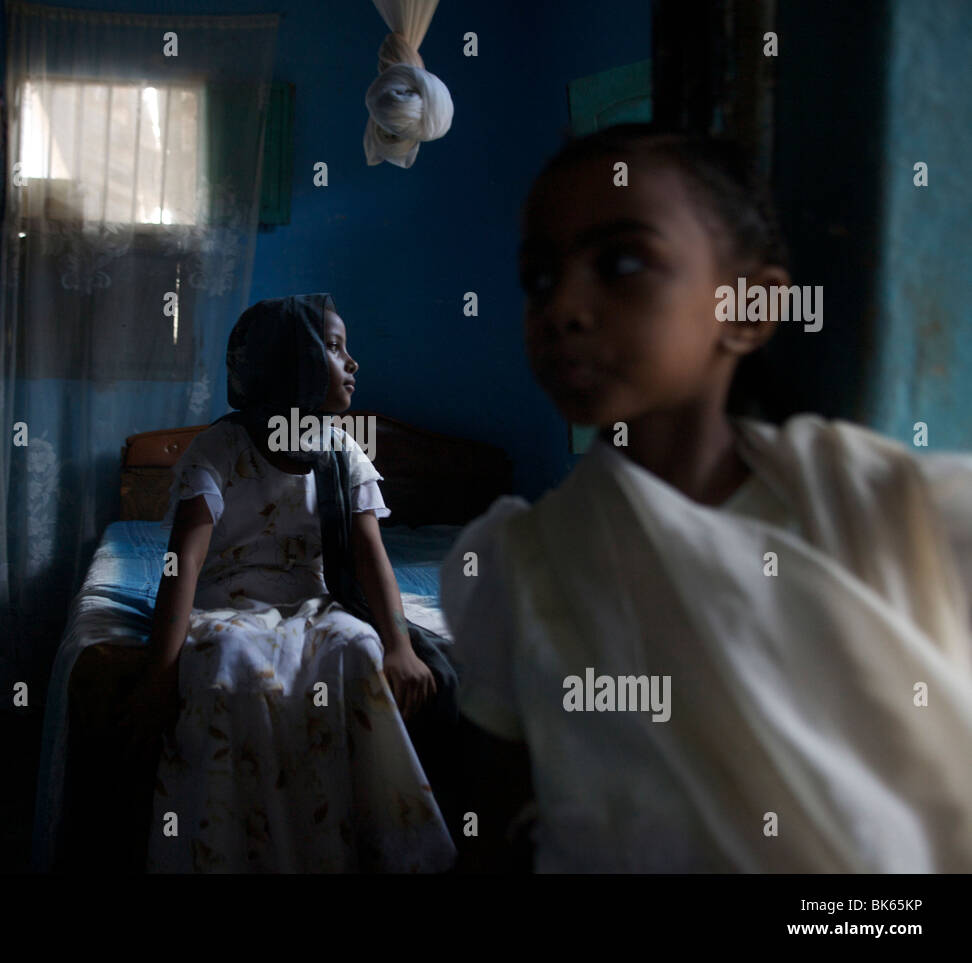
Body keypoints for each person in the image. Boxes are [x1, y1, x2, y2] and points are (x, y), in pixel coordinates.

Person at [442, 123, 972, 872]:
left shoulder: (891, 510)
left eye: (622, 262)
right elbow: (488, 829)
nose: (563, 305)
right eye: (539, 277)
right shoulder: (520, 565)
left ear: (749, 307)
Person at [115, 293, 456, 872]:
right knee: (228, 657)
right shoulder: (220, 448)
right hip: (226, 602)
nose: (353, 364)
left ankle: (349, 843)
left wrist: (400, 645)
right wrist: (160, 669)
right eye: (333, 347)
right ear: (288, 360)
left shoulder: (342, 452)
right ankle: (233, 845)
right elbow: (184, 562)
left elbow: (372, 558)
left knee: (357, 645)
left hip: (312, 601)